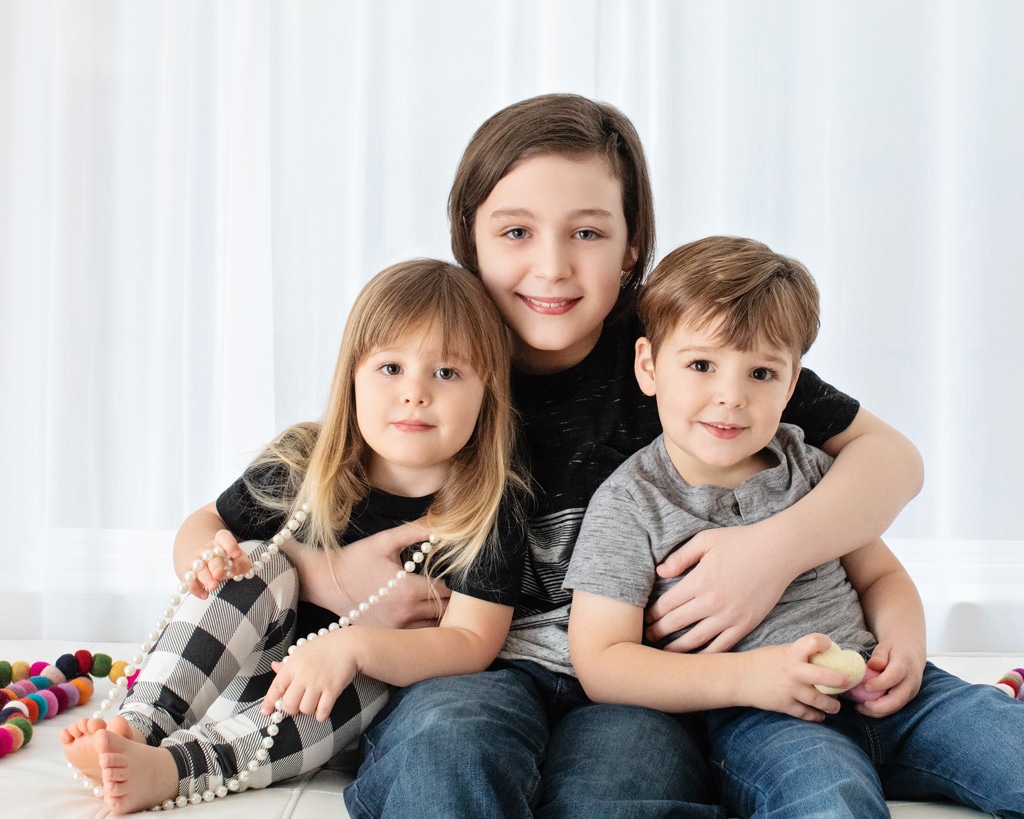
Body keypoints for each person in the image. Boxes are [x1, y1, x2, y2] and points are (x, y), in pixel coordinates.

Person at [335, 95, 924, 818]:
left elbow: (892, 459)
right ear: (469, 237)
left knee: (624, 788)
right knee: (444, 747)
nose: (551, 267)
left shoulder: (686, 350)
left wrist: (769, 552)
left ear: (632, 244)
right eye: (516, 230)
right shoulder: (431, 357)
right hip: (475, 665)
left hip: (639, 681)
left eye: (587, 231)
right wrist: (325, 571)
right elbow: (233, 521)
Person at [564, 235, 1024, 817]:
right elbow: (602, 660)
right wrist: (747, 679)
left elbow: (881, 576)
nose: (730, 397)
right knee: (830, 802)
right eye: (702, 364)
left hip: (896, 696)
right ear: (649, 366)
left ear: (792, 383)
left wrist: (905, 645)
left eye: (761, 372)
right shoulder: (630, 503)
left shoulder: (808, 465)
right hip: (767, 719)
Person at [59, 259, 528, 816]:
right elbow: (202, 524)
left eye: (446, 373)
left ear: (488, 391)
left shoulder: (488, 503)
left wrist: (352, 647)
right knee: (257, 560)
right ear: (352, 374)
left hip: (339, 712)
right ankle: (137, 726)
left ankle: (173, 769)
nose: (415, 394)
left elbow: (472, 643)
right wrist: (206, 556)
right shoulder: (305, 461)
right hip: (251, 667)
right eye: (391, 367)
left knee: (373, 676)